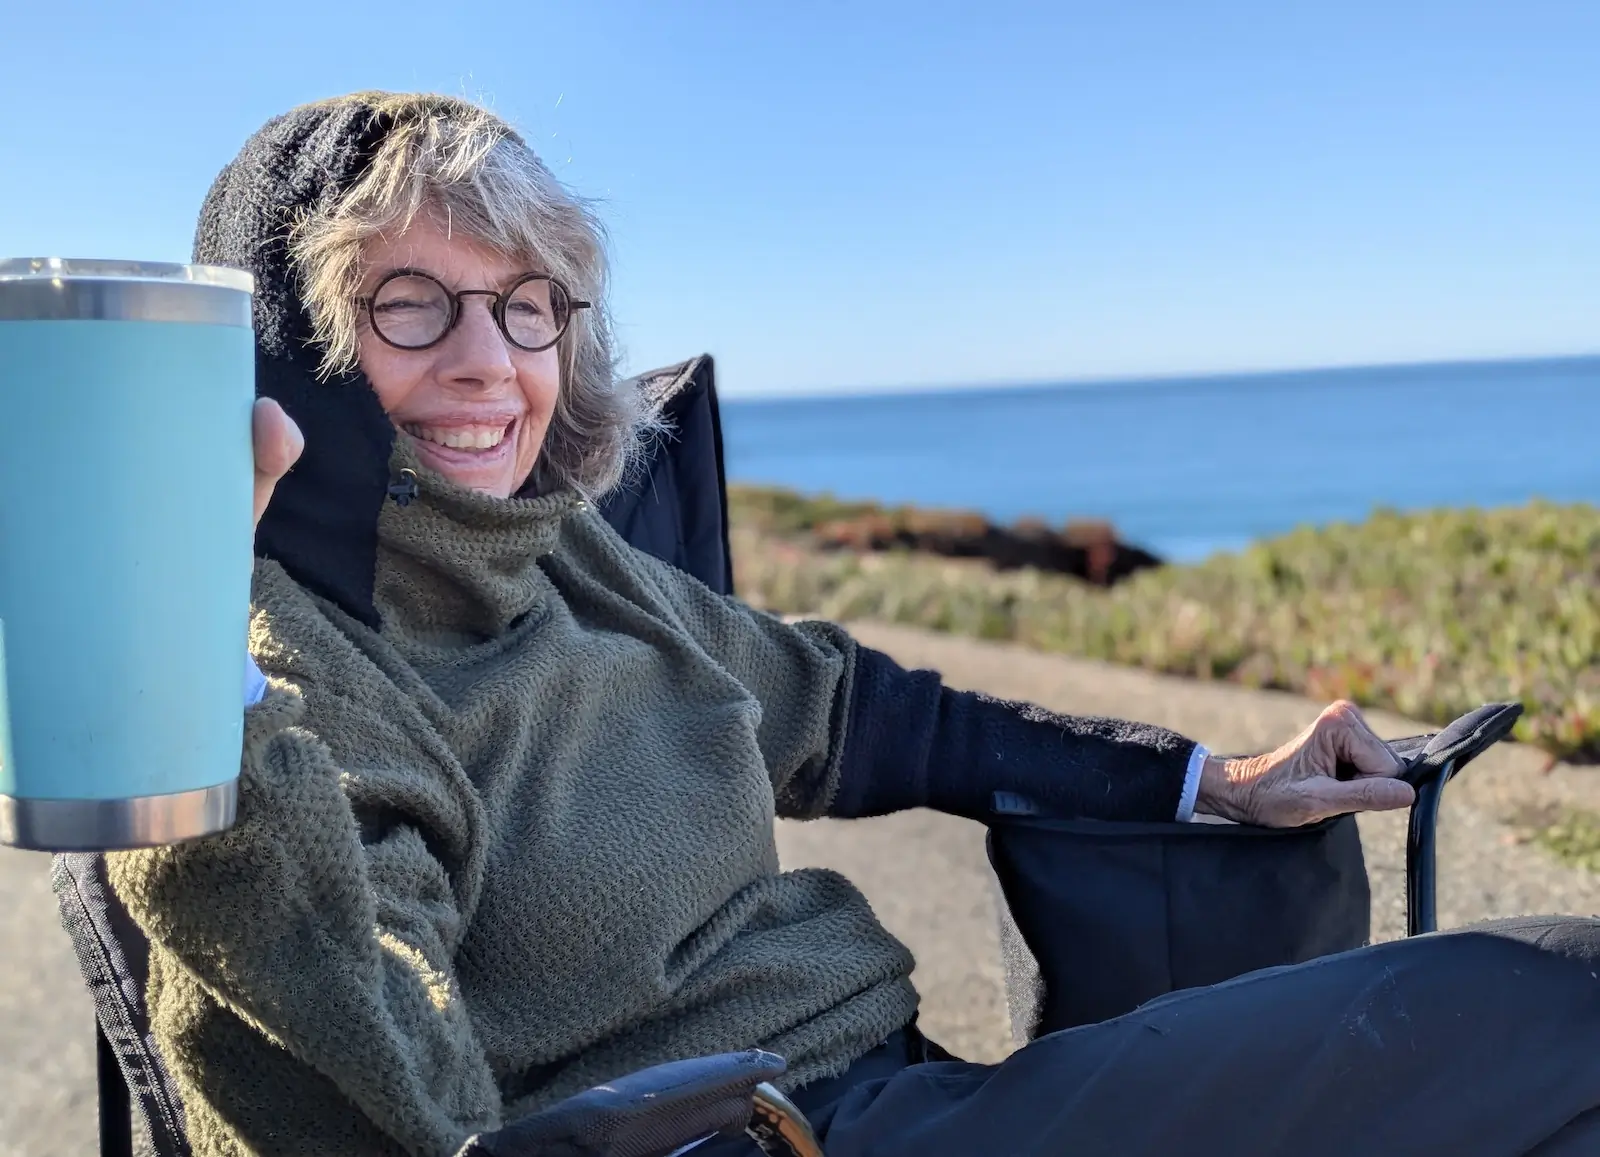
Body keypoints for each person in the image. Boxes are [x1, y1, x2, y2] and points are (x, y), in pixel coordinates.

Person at [106, 91, 1600, 1157]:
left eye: (526, 303)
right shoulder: (276, 682)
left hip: (910, 1094)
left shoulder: (564, 560)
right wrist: (193, 682)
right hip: (776, 1136)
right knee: (1551, 1006)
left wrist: (1211, 781)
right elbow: (359, 1047)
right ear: (288, 350)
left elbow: (848, 710)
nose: (492, 364)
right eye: (409, 305)